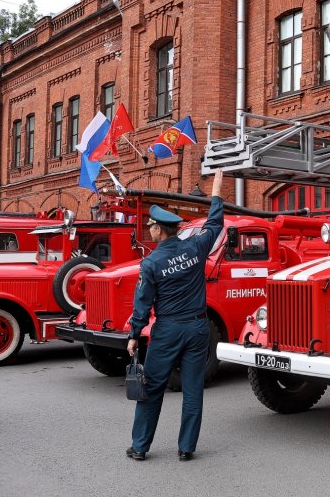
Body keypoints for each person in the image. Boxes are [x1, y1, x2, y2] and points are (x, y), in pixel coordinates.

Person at [126, 169, 224, 462]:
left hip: (167, 331)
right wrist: (217, 187)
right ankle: (186, 448)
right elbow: (216, 222)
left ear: (159, 230)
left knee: (151, 389)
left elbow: (142, 305)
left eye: (151, 226)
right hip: (197, 329)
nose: (150, 229)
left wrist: (134, 335)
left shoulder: (151, 263)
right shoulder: (196, 246)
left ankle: (140, 447)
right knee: (193, 390)